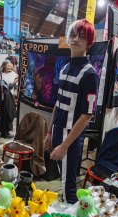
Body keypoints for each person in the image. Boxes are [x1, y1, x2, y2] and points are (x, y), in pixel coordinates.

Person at [44, 19, 98, 204]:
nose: (76, 39)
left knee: (69, 187)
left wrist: (65, 145)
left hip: (71, 136)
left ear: (89, 42)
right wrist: (49, 132)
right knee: (63, 178)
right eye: (73, 35)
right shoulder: (65, 67)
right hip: (58, 130)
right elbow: (58, 103)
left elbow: (86, 115)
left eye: (82, 36)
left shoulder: (90, 74)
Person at [0, 59, 18, 138]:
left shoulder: (13, 74)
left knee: (10, 113)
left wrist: (12, 84)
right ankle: (3, 131)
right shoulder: (0, 74)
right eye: (7, 65)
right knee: (3, 114)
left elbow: (17, 79)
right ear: (3, 66)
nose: (9, 67)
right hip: (2, 96)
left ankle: (7, 131)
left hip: (10, 96)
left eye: (10, 65)